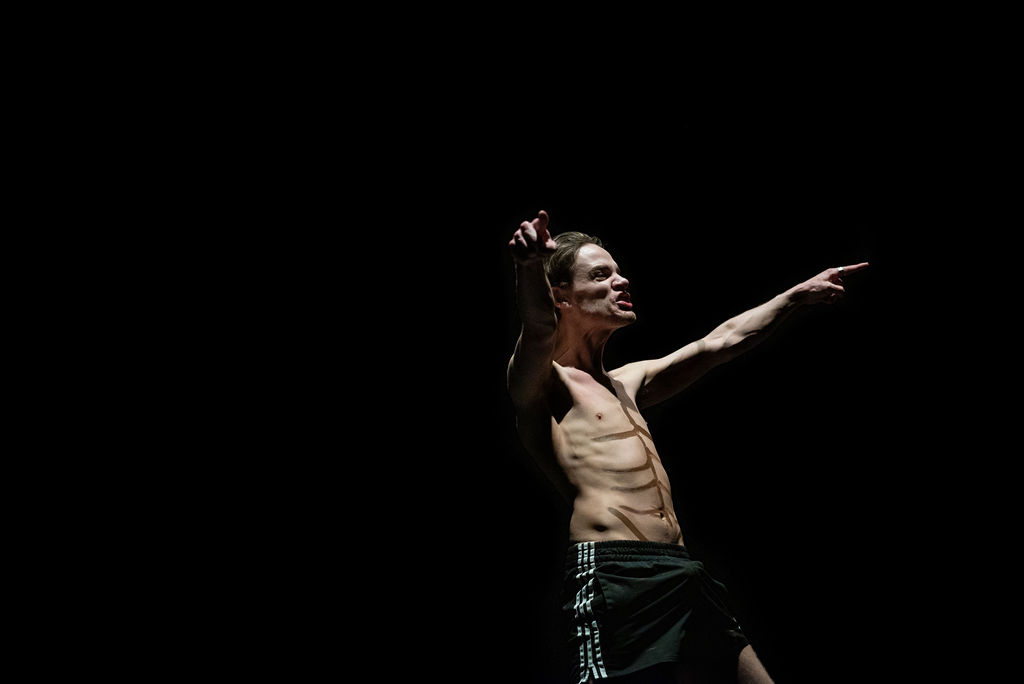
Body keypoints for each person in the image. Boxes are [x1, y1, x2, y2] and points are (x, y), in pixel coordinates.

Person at [506, 210, 868, 684]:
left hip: (679, 567)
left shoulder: (629, 382)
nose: (621, 281)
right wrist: (530, 265)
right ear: (561, 298)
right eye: (600, 275)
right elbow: (538, 328)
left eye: (618, 272)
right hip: (616, 571)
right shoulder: (542, 384)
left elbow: (722, 341)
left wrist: (795, 295)